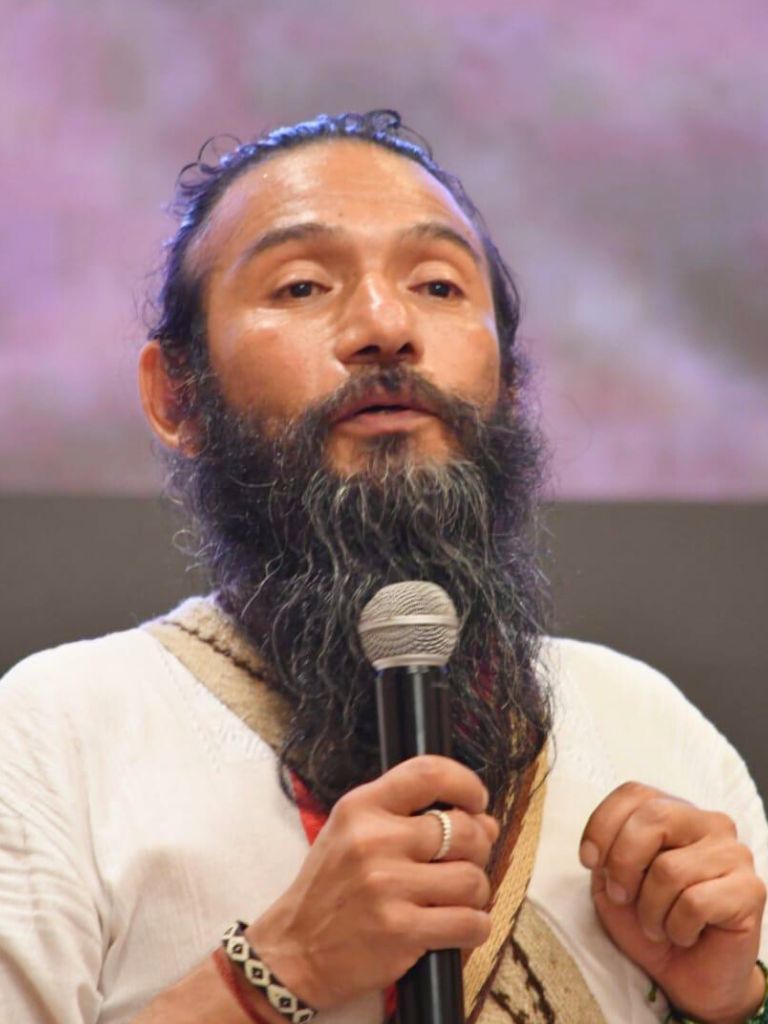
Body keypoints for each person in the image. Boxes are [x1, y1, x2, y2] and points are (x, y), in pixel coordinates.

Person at [0, 110, 766, 1024]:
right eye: (301, 285)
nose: (386, 326)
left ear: (513, 383)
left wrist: (733, 1001)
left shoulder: (645, 723)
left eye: (438, 285)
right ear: (177, 397)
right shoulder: (57, 732)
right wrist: (276, 971)